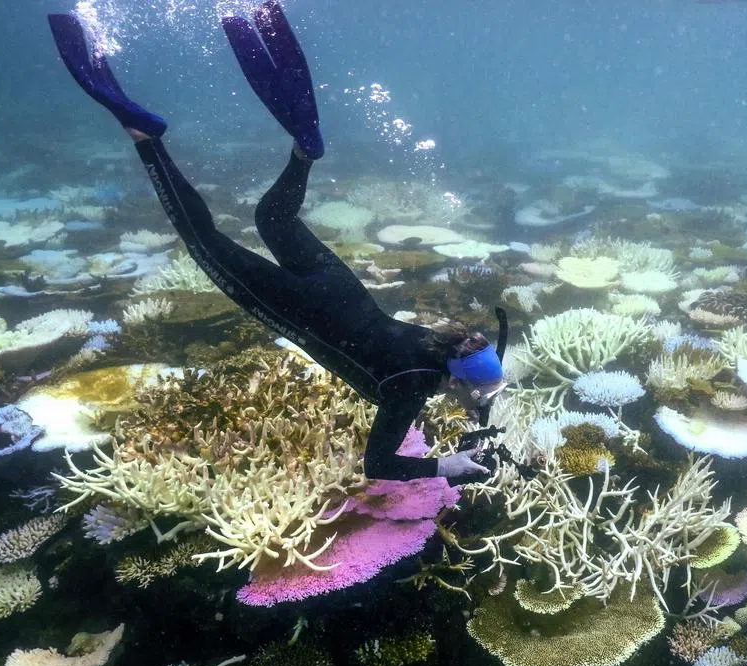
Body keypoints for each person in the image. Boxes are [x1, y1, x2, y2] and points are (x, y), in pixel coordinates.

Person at [47, 2, 504, 483]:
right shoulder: (410, 389)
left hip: (339, 288)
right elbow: (378, 465)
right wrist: (444, 466)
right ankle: (146, 139)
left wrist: (474, 391)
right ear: (455, 380)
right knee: (202, 242)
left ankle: (304, 153)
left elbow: (469, 367)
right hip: (301, 307)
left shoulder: (441, 344)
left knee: (272, 217)